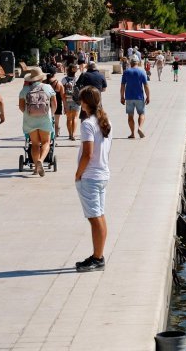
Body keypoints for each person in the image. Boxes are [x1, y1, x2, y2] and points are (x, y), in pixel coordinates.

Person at [74, 86, 113, 272]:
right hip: (102, 173)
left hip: (90, 176)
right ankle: (98, 255)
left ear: (85, 102)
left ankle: (98, 258)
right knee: (99, 216)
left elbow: (88, 154)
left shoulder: (87, 124)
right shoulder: (105, 121)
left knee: (94, 218)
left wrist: (78, 173)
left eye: (81, 100)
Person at [18, 67, 57, 177]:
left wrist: (29, 114)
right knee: (46, 142)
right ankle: (41, 160)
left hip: (30, 120)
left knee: (34, 144)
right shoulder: (48, 87)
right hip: (45, 119)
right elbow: (54, 104)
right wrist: (51, 114)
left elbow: (21, 107)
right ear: (41, 78)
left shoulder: (25, 90)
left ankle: (35, 168)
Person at [120, 57, 150, 139]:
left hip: (129, 97)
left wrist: (122, 97)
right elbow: (146, 85)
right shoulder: (142, 72)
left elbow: (123, 85)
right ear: (138, 63)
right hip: (139, 97)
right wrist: (148, 96)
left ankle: (132, 134)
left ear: (130, 63)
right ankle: (140, 127)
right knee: (141, 113)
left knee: (130, 116)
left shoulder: (126, 72)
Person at [44, 67, 66, 137]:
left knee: (47, 122)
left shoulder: (44, 82)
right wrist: (65, 107)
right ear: (55, 74)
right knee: (56, 122)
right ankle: (55, 136)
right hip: (57, 104)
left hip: (45, 104)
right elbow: (63, 97)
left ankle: (47, 136)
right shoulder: (58, 83)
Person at [62, 64, 81, 141]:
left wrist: (64, 104)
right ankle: (73, 134)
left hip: (67, 100)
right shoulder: (77, 79)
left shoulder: (64, 79)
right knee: (75, 118)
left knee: (69, 118)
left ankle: (69, 134)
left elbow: (62, 92)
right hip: (76, 100)